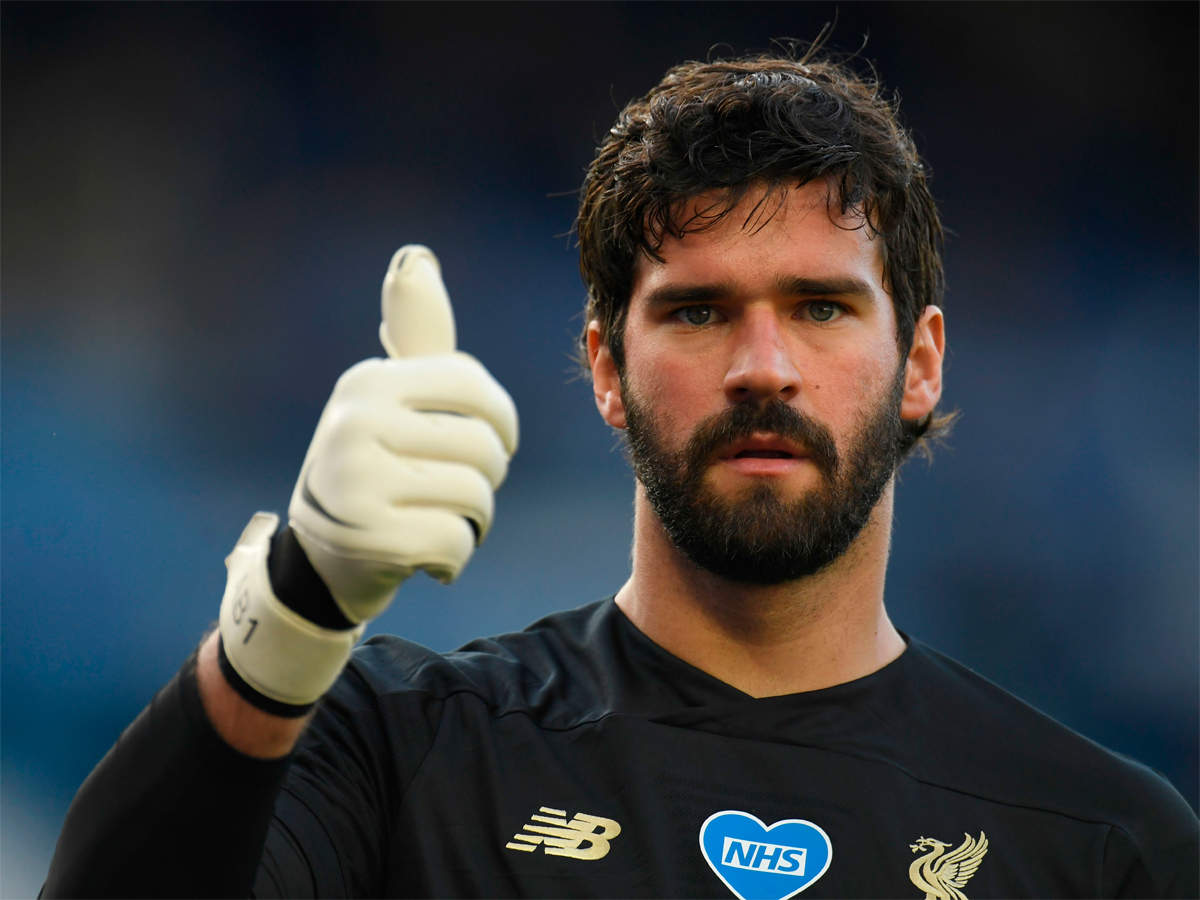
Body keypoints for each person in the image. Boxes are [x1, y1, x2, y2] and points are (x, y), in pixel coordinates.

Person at [43, 47, 1197, 900]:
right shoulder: (401, 750)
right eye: (696, 311)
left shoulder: (1102, 841)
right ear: (605, 369)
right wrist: (289, 618)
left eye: (822, 307)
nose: (763, 368)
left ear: (919, 364)